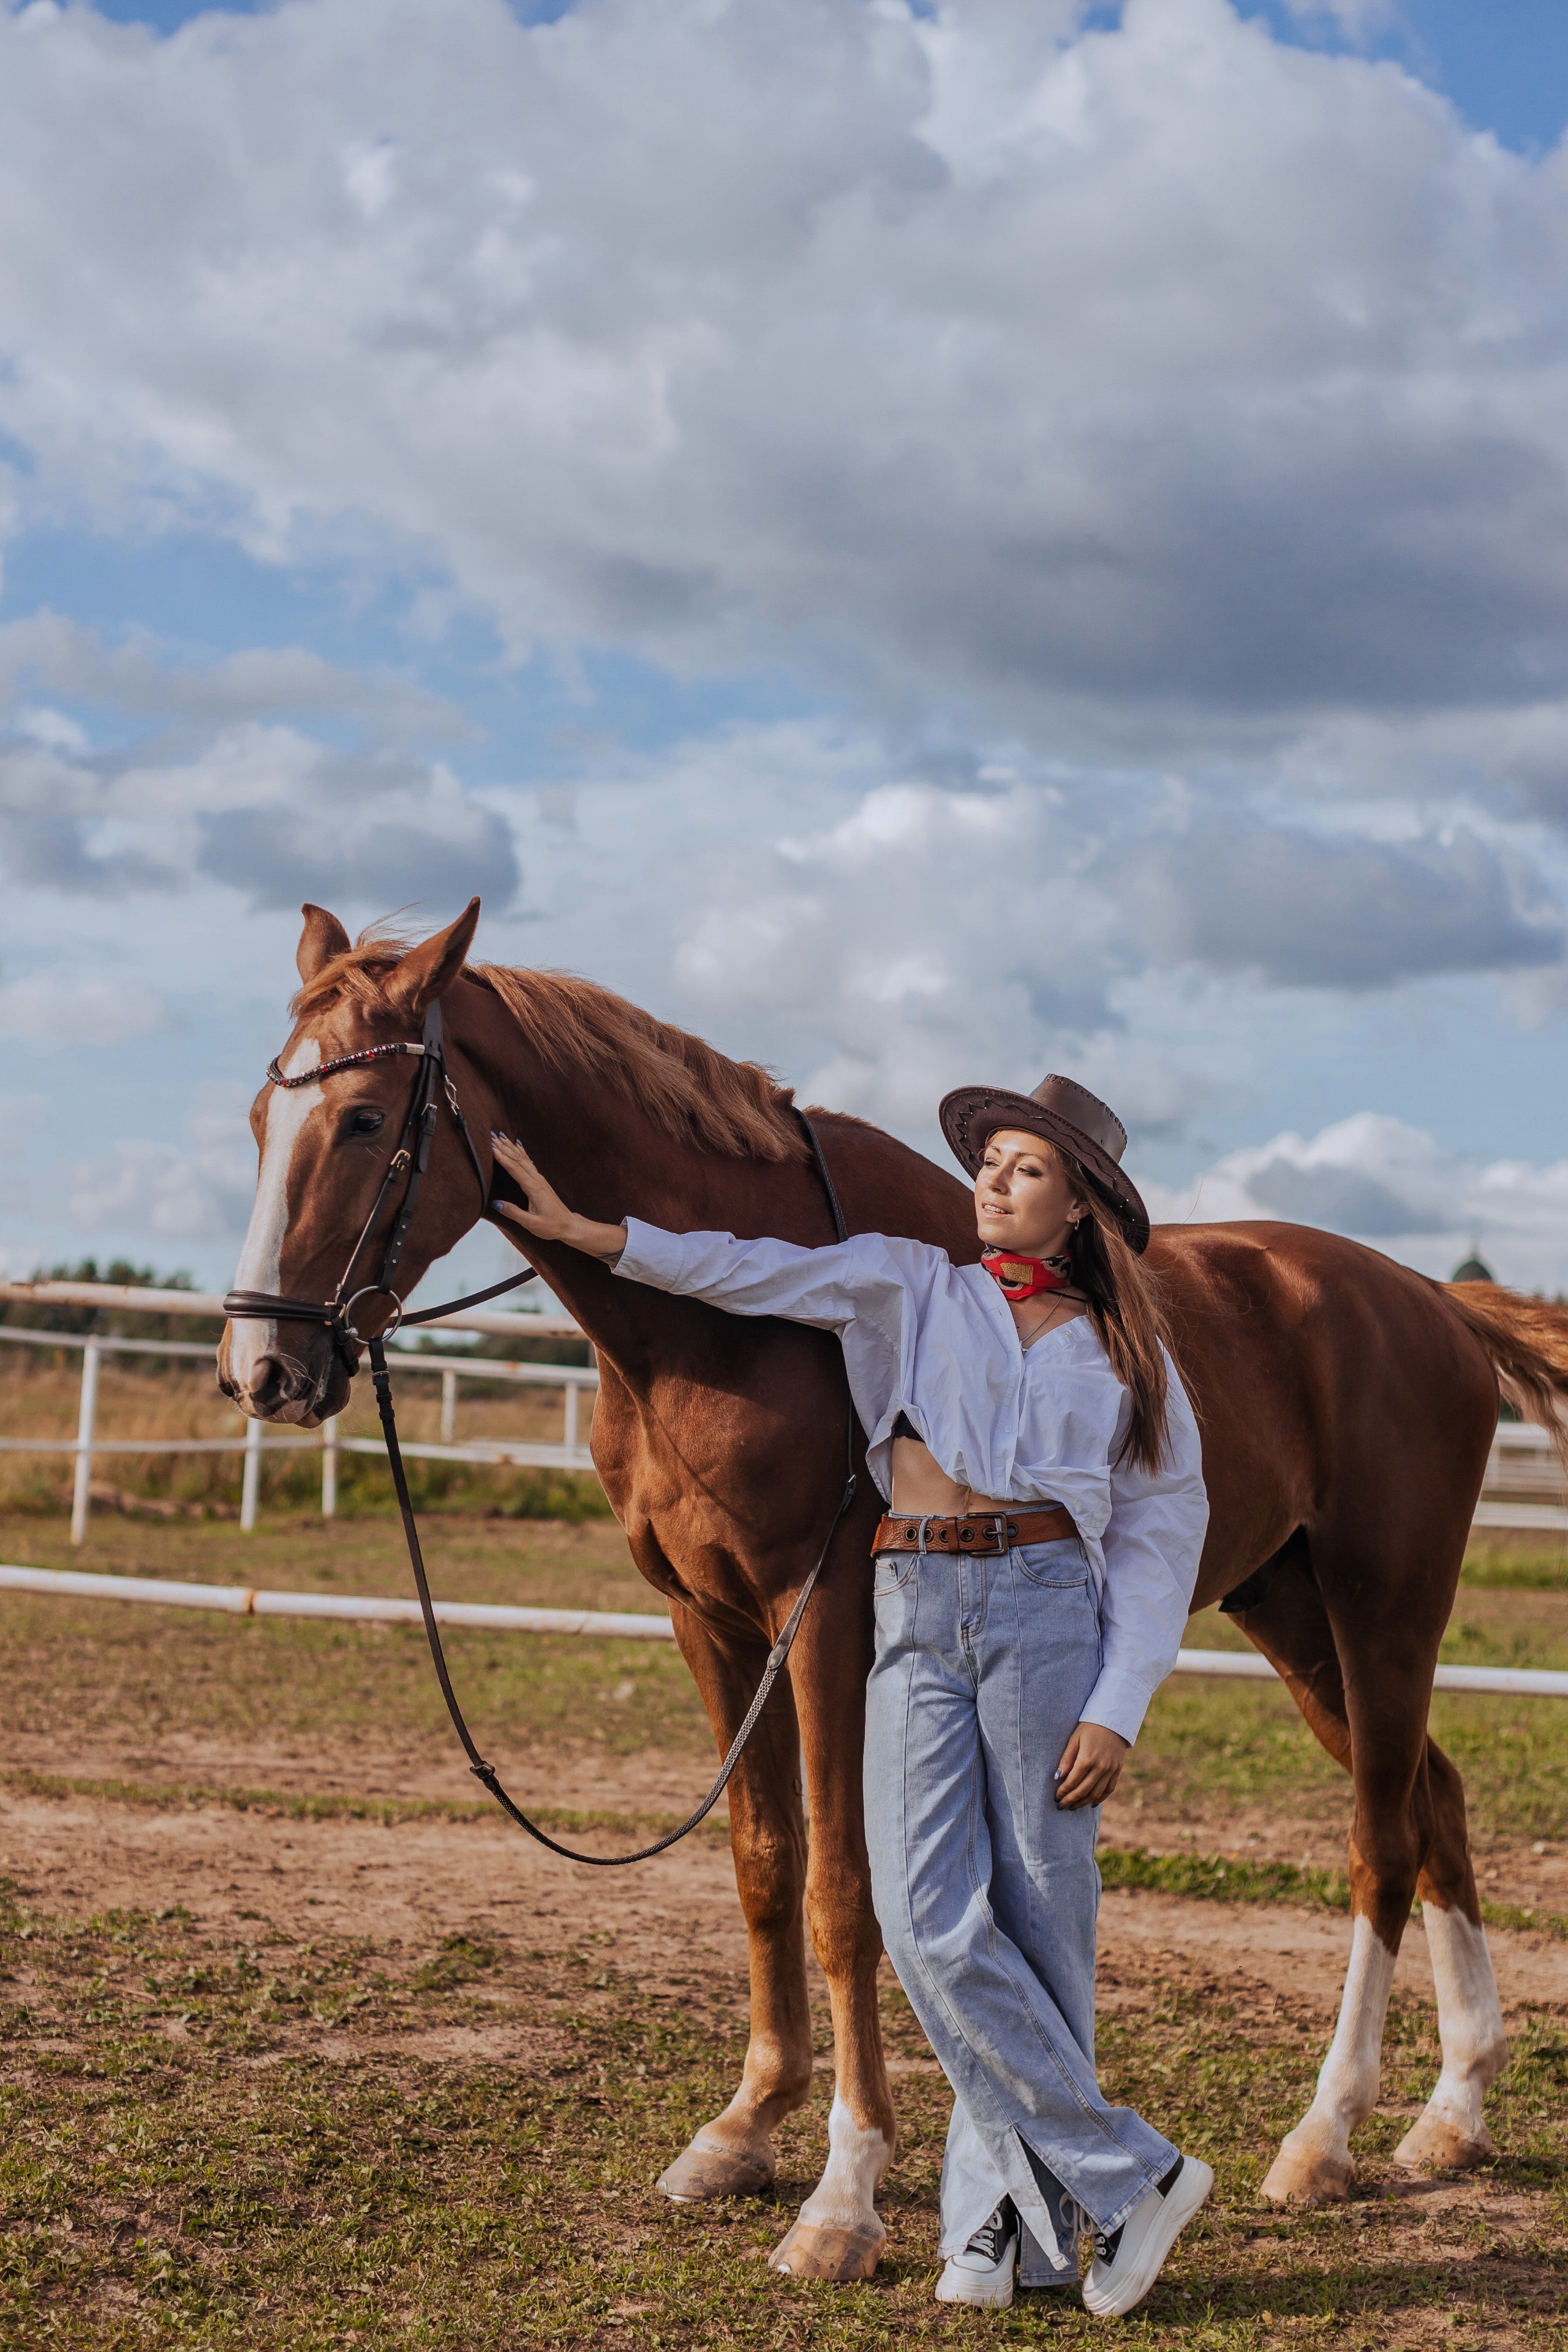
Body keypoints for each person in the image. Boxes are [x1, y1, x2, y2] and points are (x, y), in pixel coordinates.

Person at [489, 1073, 1212, 2318]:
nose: (988, 1179)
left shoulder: (1123, 1352)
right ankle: (1130, 2174)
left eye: (1023, 1168)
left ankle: (1003, 2226)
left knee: (1041, 1924)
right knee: (930, 1921)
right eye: (987, 1160)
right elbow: (734, 1270)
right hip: (913, 1610)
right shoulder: (906, 1284)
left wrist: (1120, 1698)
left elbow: (1160, 1524)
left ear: (1078, 1207)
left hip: (1045, 1609)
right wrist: (584, 1234)